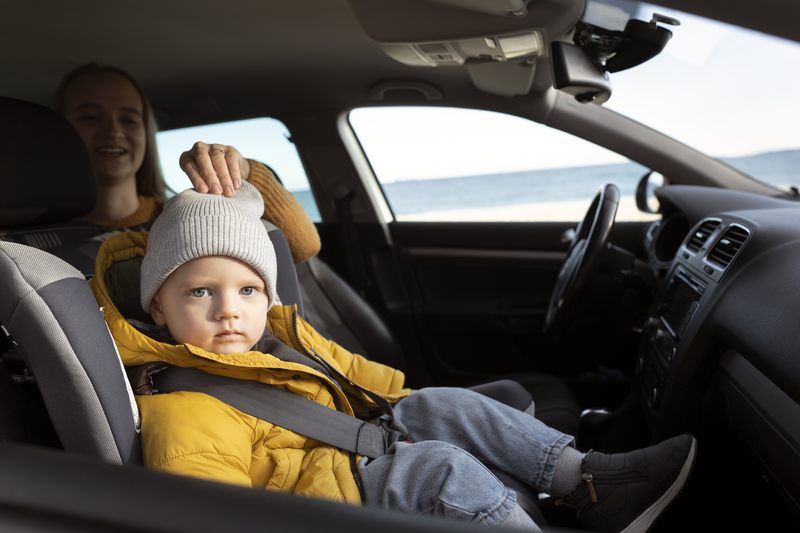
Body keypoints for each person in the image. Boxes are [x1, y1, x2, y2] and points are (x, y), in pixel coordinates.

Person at [89, 182, 697, 533]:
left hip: (347, 446)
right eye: (201, 293)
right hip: (321, 498)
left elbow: (357, 377)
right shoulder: (185, 401)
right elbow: (207, 506)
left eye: (248, 291)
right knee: (438, 469)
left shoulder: (275, 335)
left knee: (445, 404)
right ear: (159, 309)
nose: (229, 311)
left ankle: (586, 479)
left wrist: (418, 410)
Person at [54, 63, 320, 263]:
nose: (113, 130)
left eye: (129, 120)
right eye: (90, 117)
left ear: (146, 133)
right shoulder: (34, 237)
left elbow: (302, 248)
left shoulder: (184, 217)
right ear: (59, 130)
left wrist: (243, 170)